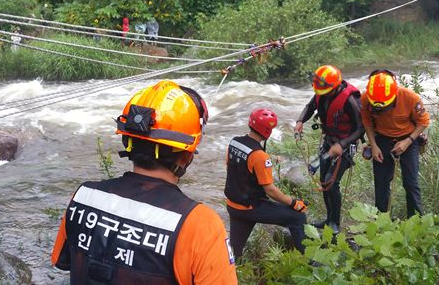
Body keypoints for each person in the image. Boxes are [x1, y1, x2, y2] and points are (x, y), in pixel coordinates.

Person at [52, 80, 238, 284]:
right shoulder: (201, 225)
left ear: (127, 141)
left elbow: (67, 263)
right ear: (187, 155)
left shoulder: (82, 197)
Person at [225, 109, 307, 260]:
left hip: (234, 206)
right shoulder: (260, 156)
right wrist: (294, 202)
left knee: (233, 254)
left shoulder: (234, 142)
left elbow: (233, 167)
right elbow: (270, 191)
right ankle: (310, 261)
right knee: (297, 218)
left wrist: (268, 160)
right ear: (267, 131)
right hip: (251, 208)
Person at [294, 65, 364, 234]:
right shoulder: (322, 91)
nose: (322, 94)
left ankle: (335, 223)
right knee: (324, 182)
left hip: (346, 145)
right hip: (329, 141)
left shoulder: (350, 100)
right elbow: (310, 107)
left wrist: (342, 145)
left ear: (335, 86)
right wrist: (300, 121)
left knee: (331, 183)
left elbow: (361, 128)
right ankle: (329, 219)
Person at [360, 69, 430, 217]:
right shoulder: (366, 98)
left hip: (408, 139)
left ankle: (416, 220)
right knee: (381, 183)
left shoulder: (410, 97)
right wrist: (373, 145)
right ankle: (382, 220)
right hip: (382, 139)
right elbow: (367, 122)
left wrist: (408, 141)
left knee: (411, 183)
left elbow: (423, 122)